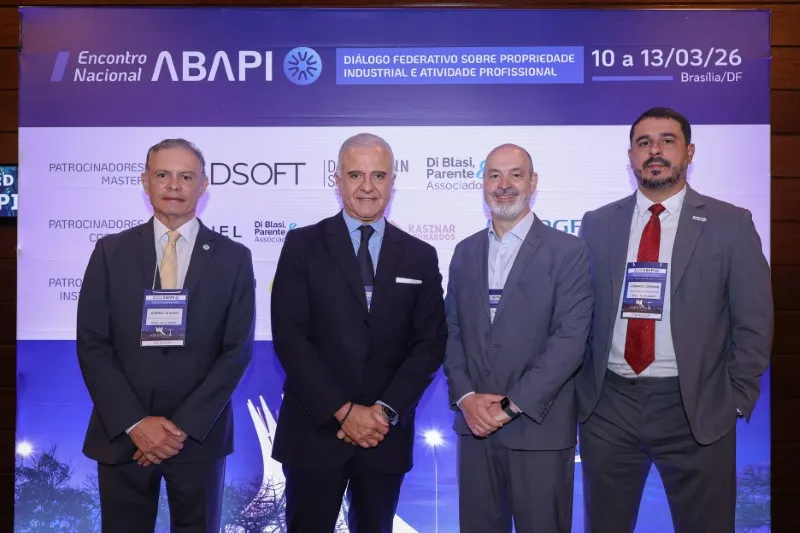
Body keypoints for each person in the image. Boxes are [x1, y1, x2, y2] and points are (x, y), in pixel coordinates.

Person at [576, 107, 774, 532]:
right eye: (644, 143)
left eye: (667, 141)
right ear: (631, 156)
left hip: (695, 406)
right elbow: (578, 314)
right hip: (609, 406)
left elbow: (754, 320)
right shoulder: (596, 224)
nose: (655, 151)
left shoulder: (731, 224)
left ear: (689, 152)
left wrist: (736, 398)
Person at [270, 132, 447, 533]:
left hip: (384, 437)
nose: (368, 186)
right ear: (338, 180)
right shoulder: (302, 245)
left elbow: (430, 344)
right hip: (315, 432)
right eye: (356, 175)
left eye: (378, 175)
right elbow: (291, 338)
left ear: (392, 181)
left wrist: (383, 413)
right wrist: (344, 411)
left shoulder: (420, 255)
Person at [76, 138, 256, 532]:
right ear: (145, 181)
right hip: (123, 435)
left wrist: (180, 429)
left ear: (203, 185)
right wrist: (136, 423)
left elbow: (236, 351)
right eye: (163, 175)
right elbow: (92, 344)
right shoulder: (110, 252)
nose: (174, 185)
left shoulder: (234, 257)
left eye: (186, 177)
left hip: (198, 437)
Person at [442, 143, 593, 532]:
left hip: (539, 431)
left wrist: (511, 406)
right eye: (494, 175)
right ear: (483, 184)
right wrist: (466, 398)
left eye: (515, 174)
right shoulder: (464, 252)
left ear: (533, 182)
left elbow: (570, 341)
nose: (504, 184)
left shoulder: (568, 251)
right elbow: (451, 333)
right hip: (474, 429)